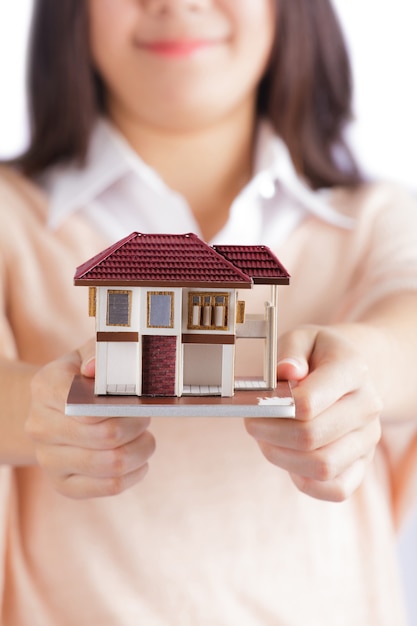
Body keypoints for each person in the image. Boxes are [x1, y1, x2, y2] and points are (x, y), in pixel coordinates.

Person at [1, 0, 417, 624]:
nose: (177, 3)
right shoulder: (11, 216)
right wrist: (39, 409)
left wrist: (359, 373)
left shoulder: (377, 216)